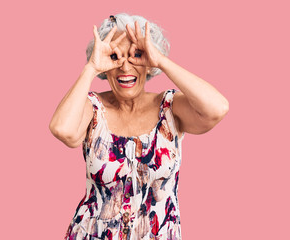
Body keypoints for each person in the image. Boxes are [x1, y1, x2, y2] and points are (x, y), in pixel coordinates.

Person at [49, 13, 229, 240]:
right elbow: (61, 129)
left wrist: (162, 61)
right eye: (115, 56)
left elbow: (218, 108)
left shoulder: (169, 108)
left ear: (148, 62)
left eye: (136, 55)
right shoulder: (93, 108)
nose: (125, 66)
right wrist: (91, 68)